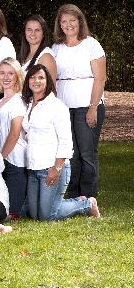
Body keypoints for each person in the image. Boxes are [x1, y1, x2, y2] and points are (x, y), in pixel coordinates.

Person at [22, 64, 100, 221]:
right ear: (27, 81)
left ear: (48, 82)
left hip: (52, 167)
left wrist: (56, 168)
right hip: (33, 168)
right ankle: (76, 201)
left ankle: (87, 204)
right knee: (34, 214)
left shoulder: (56, 106)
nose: (36, 81)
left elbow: (66, 142)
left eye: (41, 77)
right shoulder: (28, 104)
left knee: (46, 216)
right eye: (32, 77)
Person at [51, 4, 106, 198]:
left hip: (86, 105)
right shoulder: (56, 48)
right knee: (70, 153)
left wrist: (93, 107)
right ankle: (74, 194)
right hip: (64, 107)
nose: (68, 25)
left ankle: (88, 195)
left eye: (72, 20)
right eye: (64, 21)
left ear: (80, 21)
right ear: (59, 25)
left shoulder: (91, 45)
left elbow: (100, 79)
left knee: (87, 152)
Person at [0, 58, 28, 220]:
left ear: (17, 76)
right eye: (2, 73)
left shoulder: (18, 101)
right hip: (2, 161)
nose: (6, 77)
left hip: (14, 162)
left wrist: (0, 157)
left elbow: (14, 134)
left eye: (10, 73)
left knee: (12, 213)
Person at [18, 14, 57, 79]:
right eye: (29, 30)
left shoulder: (46, 56)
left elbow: (51, 84)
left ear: (43, 33)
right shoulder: (24, 55)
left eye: (37, 30)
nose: (33, 33)